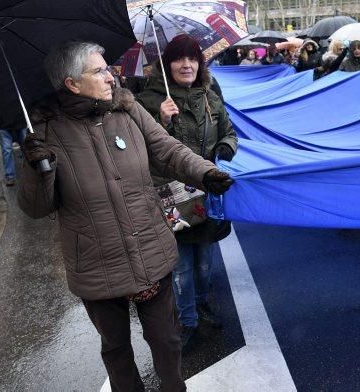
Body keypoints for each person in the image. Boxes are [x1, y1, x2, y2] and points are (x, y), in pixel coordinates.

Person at [17, 41, 233, 392]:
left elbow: (167, 150)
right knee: (116, 349)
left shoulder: (127, 109)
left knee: (167, 339)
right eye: (99, 71)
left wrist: (205, 173)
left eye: (108, 68)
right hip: (94, 258)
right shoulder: (43, 132)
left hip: (148, 245)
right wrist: (36, 169)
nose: (110, 76)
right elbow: (36, 207)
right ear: (72, 83)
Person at [136, 34, 238, 351]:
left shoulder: (210, 93)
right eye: (179, 58)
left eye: (193, 58)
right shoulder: (149, 101)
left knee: (205, 262)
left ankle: (202, 303)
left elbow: (230, 132)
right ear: (167, 64)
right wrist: (162, 122)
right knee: (181, 265)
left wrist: (223, 149)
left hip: (206, 193)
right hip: (171, 195)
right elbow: (141, 150)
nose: (187, 64)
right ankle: (188, 319)